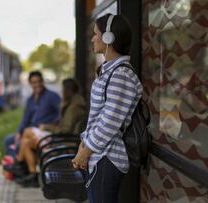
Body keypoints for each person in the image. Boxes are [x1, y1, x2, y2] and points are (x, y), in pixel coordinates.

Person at [72, 13, 143, 203]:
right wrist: (84, 144)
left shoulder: (121, 75)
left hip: (107, 159)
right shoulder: (110, 71)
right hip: (99, 157)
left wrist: (85, 152)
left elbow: (110, 122)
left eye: (96, 33)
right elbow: (98, 117)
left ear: (109, 38)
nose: (93, 38)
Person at [12, 78, 88, 187]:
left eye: (63, 89)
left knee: (27, 136)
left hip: (64, 142)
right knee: (25, 141)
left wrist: (47, 127)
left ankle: (20, 165)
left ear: (68, 90)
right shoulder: (71, 103)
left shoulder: (74, 107)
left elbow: (65, 129)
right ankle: (31, 173)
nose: (62, 92)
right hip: (61, 138)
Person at [4, 70, 61, 161]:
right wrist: (19, 132)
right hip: (31, 129)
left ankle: (18, 164)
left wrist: (51, 124)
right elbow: (25, 118)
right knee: (9, 140)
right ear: (30, 84)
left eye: (39, 81)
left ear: (42, 81)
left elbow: (61, 113)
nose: (37, 84)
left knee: (22, 141)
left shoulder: (52, 96)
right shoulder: (30, 99)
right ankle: (16, 165)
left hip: (43, 131)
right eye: (34, 82)